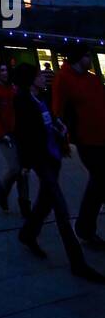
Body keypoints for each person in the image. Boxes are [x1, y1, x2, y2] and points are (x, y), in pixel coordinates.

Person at [13, 64, 105, 282]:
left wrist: (58, 127)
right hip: (41, 160)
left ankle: (27, 234)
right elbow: (24, 135)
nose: (43, 78)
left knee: (45, 202)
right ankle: (77, 263)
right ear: (30, 80)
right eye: (39, 75)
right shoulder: (23, 102)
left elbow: (47, 121)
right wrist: (25, 163)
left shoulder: (40, 98)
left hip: (53, 157)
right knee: (61, 211)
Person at [52, 43, 105, 250]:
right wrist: (63, 142)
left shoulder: (92, 79)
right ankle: (85, 228)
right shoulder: (63, 79)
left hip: (102, 138)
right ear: (76, 57)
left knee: (100, 182)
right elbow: (58, 111)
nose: (89, 59)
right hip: (87, 140)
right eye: (86, 56)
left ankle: (86, 227)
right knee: (99, 179)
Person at [0, 61, 31, 218]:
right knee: (15, 168)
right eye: (2, 70)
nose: (5, 73)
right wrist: (0, 132)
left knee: (23, 171)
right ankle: (3, 189)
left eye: (6, 70)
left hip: (19, 133)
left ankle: (25, 204)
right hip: (5, 134)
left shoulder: (13, 88)